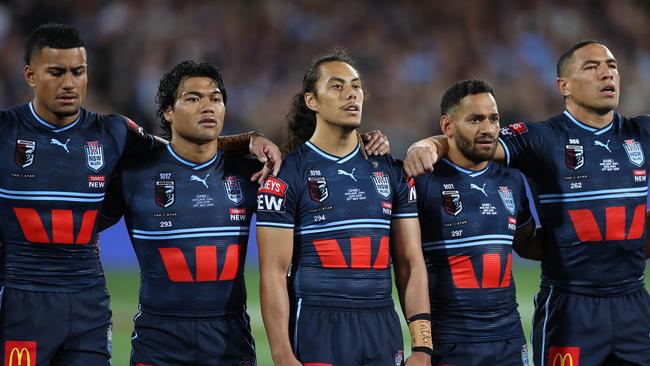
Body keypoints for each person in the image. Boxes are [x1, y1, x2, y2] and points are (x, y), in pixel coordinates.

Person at [0, 23, 281, 366]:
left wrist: (248, 139)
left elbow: (183, 147)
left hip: (89, 304)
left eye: (78, 71)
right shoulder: (5, 131)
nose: (70, 83)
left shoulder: (114, 132)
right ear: (30, 75)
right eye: (56, 72)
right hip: (21, 298)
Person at [405, 40, 650, 366]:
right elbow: (477, 140)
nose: (607, 74)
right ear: (564, 86)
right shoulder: (542, 138)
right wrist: (428, 145)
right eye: (592, 67)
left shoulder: (642, 132)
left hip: (634, 301)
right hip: (571, 307)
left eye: (612, 65)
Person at [256, 49, 432, 366]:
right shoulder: (287, 175)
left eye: (356, 85)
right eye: (337, 86)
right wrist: (282, 355)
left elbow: (410, 263)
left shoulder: (391, 171)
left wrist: (422, 347)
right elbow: (273, 273)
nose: (351, 93)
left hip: (381, 328)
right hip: (317, 329)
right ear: (312, 101)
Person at [415, 79, 541, 365]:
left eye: (493, 119)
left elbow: (527, 244)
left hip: (509, 340)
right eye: (475, 120)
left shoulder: (512, 180)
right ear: (447, 126)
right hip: (450, 342)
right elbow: (404, 262)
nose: (487, 129)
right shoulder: (424, 182)